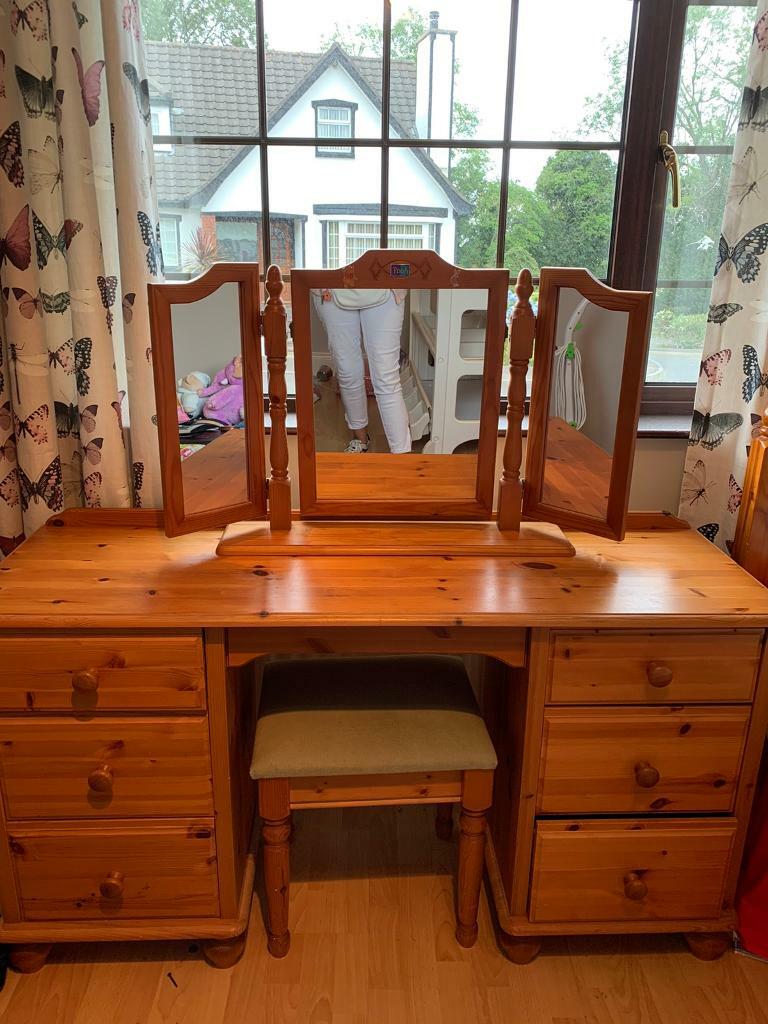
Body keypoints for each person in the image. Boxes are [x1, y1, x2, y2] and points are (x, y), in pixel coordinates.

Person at [312, 287, 411, 454]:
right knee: (348, 372)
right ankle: (360, 439)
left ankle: (402, 453)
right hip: (333, 288)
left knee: (386, 376)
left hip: (385, 286)